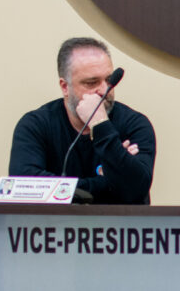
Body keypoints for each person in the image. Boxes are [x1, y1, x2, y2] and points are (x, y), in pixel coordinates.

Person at [9, 37, 156, 204]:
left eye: (109, 80)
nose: (103, 90)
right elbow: (25, 189)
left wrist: (101, 125)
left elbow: (135, 191)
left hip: (118, 228)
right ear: (65, 87)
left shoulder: (134, 125)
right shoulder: (35, 125)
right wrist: (108, 181)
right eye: (91, 82)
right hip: (54, 227)